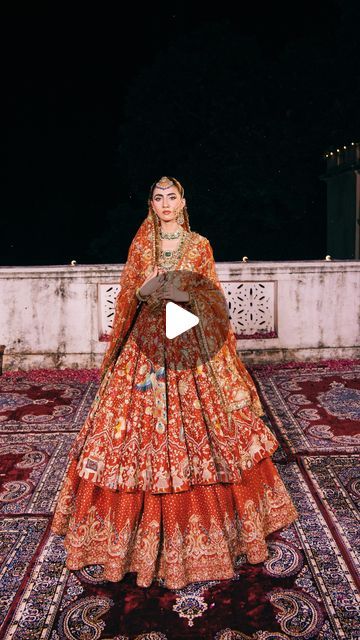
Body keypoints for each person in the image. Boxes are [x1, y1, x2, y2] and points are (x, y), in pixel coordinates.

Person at [51, 176, 298, 590]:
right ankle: (127, 539)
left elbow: (211, 296)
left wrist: (185, 300)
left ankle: (221, 528)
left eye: (172, 197)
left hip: (186, 338)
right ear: (151, 203)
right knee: (127, 430)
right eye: (159, 198)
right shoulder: (141, 245)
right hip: (146, 342)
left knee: (207, 428)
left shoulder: (199, 245)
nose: (166, 203)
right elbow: (129, 295)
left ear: (183, 202)